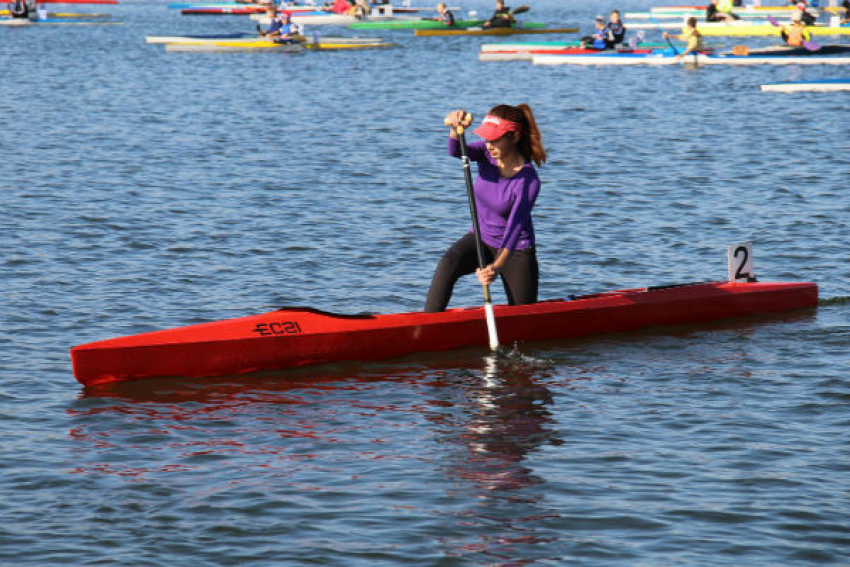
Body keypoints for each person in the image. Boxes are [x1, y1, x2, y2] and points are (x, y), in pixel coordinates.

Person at [424, 105, 546, 313]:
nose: (489, 144)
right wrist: (455, 128)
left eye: (495, 139)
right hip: (480, 238)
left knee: (522, 318)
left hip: (515, 250)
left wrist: (496, 267)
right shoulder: (484, 154)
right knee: (448, 262)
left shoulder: (528, 181)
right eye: (487, 138)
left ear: (514, 137)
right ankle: (426, 325)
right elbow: (456, 150)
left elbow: (514, 230)